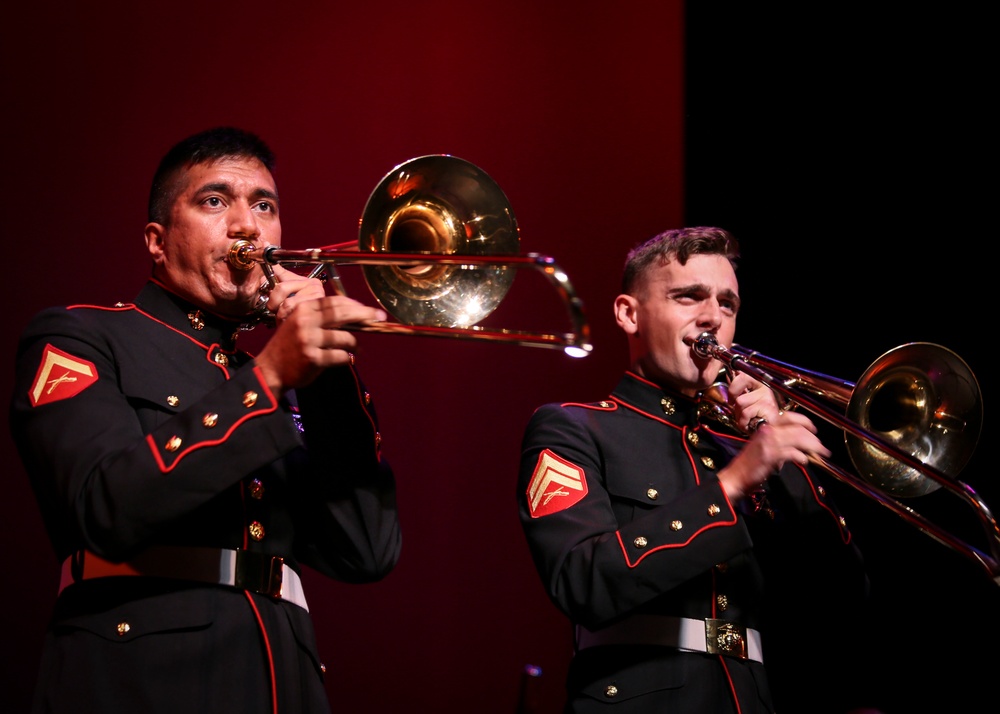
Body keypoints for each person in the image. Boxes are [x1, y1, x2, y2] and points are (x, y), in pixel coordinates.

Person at [9, 126, 402, 714]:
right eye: (214, 201)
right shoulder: (81, 336)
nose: (246, 225)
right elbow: (102, 506)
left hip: (281, 681)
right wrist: (269, 378)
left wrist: (328, 376)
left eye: (263, 205)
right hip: (139, 680)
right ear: (157, 241)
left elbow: (367, 551)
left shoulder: (278, 376)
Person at [516, 227, 874, 712]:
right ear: (629, 313)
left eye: (727, 305)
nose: (712, 318)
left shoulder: (742, 445)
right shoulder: (572, 428)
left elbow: (843, 598)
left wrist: (782, 458)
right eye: (689, 297)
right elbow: (583, 582)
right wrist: (731, 485)